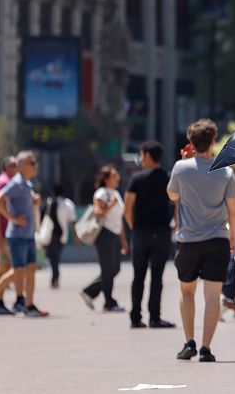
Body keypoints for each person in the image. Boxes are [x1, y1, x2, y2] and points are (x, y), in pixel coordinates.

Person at [168, 119, 235, 362]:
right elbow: (233, 209)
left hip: (188, 239)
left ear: (191, 142)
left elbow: (172, 195)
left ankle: (189, 342)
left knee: (187, 291)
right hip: (217, 238)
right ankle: (206, 348)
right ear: (212, 141)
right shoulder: (226, 171)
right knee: (212, 295)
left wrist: (186, 163)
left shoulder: (180, 168)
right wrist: (232, 237)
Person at [0, 152, 48, 317]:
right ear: (22, 165)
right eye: (31, 162)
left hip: (28, 234)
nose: (35, 165)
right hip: (16, 235)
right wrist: (13, 219)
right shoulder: (16, 182)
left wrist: (34, 200)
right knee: (18, 270)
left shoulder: (27, 184)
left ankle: (29, 305)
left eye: (34, 162)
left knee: (31, 269)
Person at [124, 141, 175, 329]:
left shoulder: (136, 179)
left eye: (141, 154)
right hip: (161, 233)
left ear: (146, 155)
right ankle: (155, 317)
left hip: (140, 233)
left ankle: (135, 317)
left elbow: (127, 207)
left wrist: (134, 227)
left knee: (138, 276)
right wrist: (174, 226)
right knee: (157, 277)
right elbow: (176, 202)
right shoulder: (168, 177)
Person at [79, 165, 128, 312]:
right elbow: (98, 212)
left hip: (115, 234)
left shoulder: (116, 194)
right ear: (106, 179)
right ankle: (109, 302)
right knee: (108, 269)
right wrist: (111, 205)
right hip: (104, 234)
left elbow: (119, 219)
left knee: (115, 268)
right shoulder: (101, 193)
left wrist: (123, 240)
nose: (117, 178)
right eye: (114, 176)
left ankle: (89, 291)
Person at [0, 156, 24, 310]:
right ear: (8, 167)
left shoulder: (10, 182)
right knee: (18, 267)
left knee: (5, 267)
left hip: (8, 232)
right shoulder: (3, 182)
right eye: (16, 165)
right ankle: (3, 299)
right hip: (6, 233)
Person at [44, 185, 78, 289]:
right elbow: (73, 221)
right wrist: (76, 235)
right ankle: (55, 277)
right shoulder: (68, 204)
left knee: (52, 257)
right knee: (56, 257)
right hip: (61, 235)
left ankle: (55, 276)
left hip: (50, 235)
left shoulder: (49, 202)